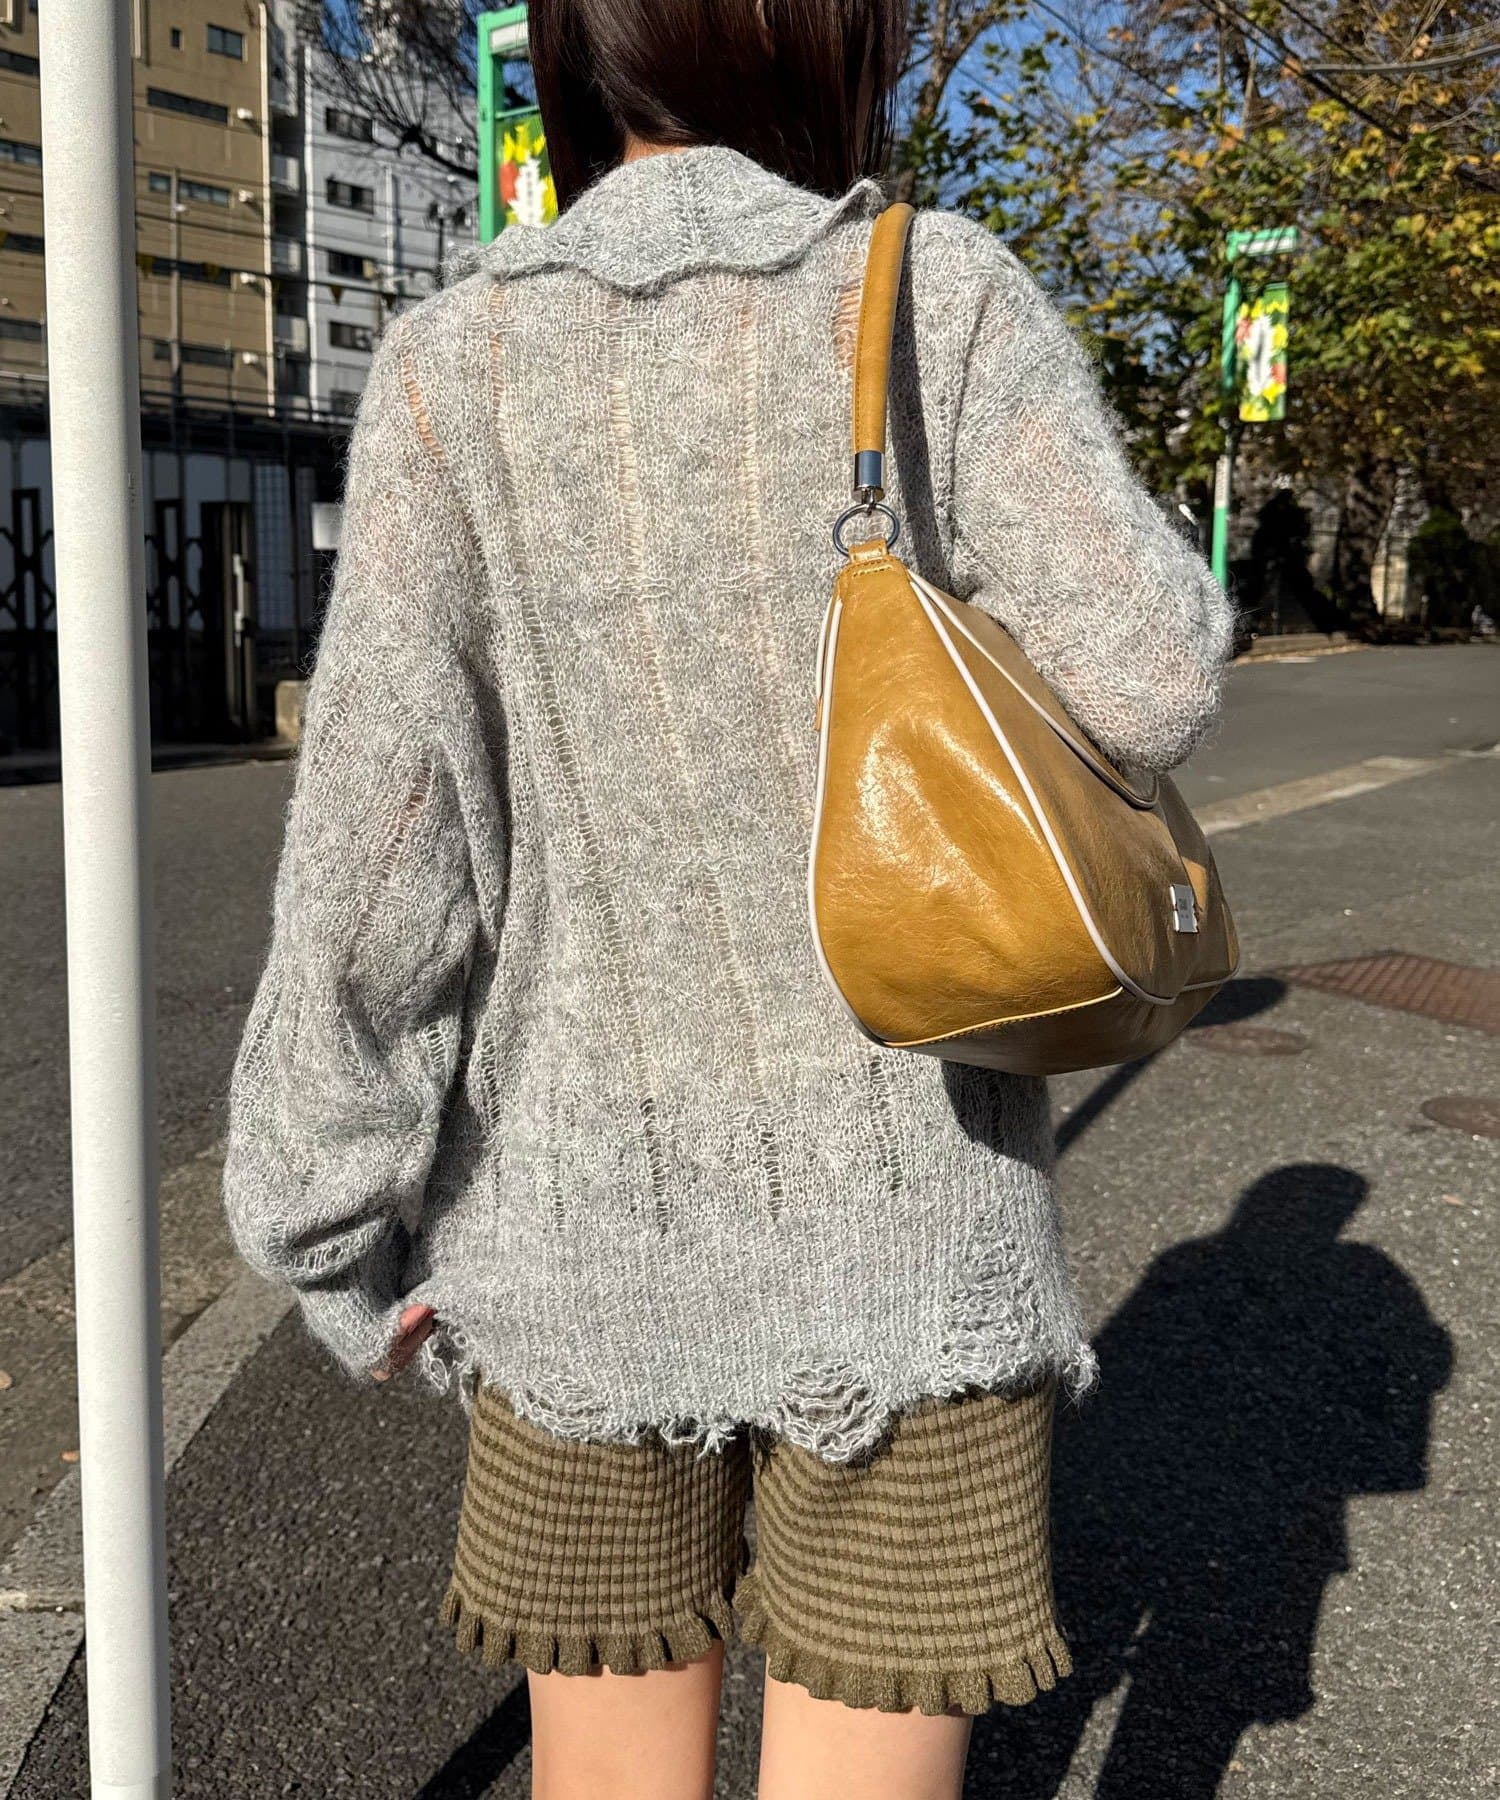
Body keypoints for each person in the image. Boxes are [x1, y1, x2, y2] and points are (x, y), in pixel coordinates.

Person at [221, 3, 1236, 1794]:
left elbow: (384, 857)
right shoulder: (937, 295)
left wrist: (325, 1225)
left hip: (569, 1253)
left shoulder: (457, 367)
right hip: (915, 1238)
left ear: (576, 47)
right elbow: (1152, 675)